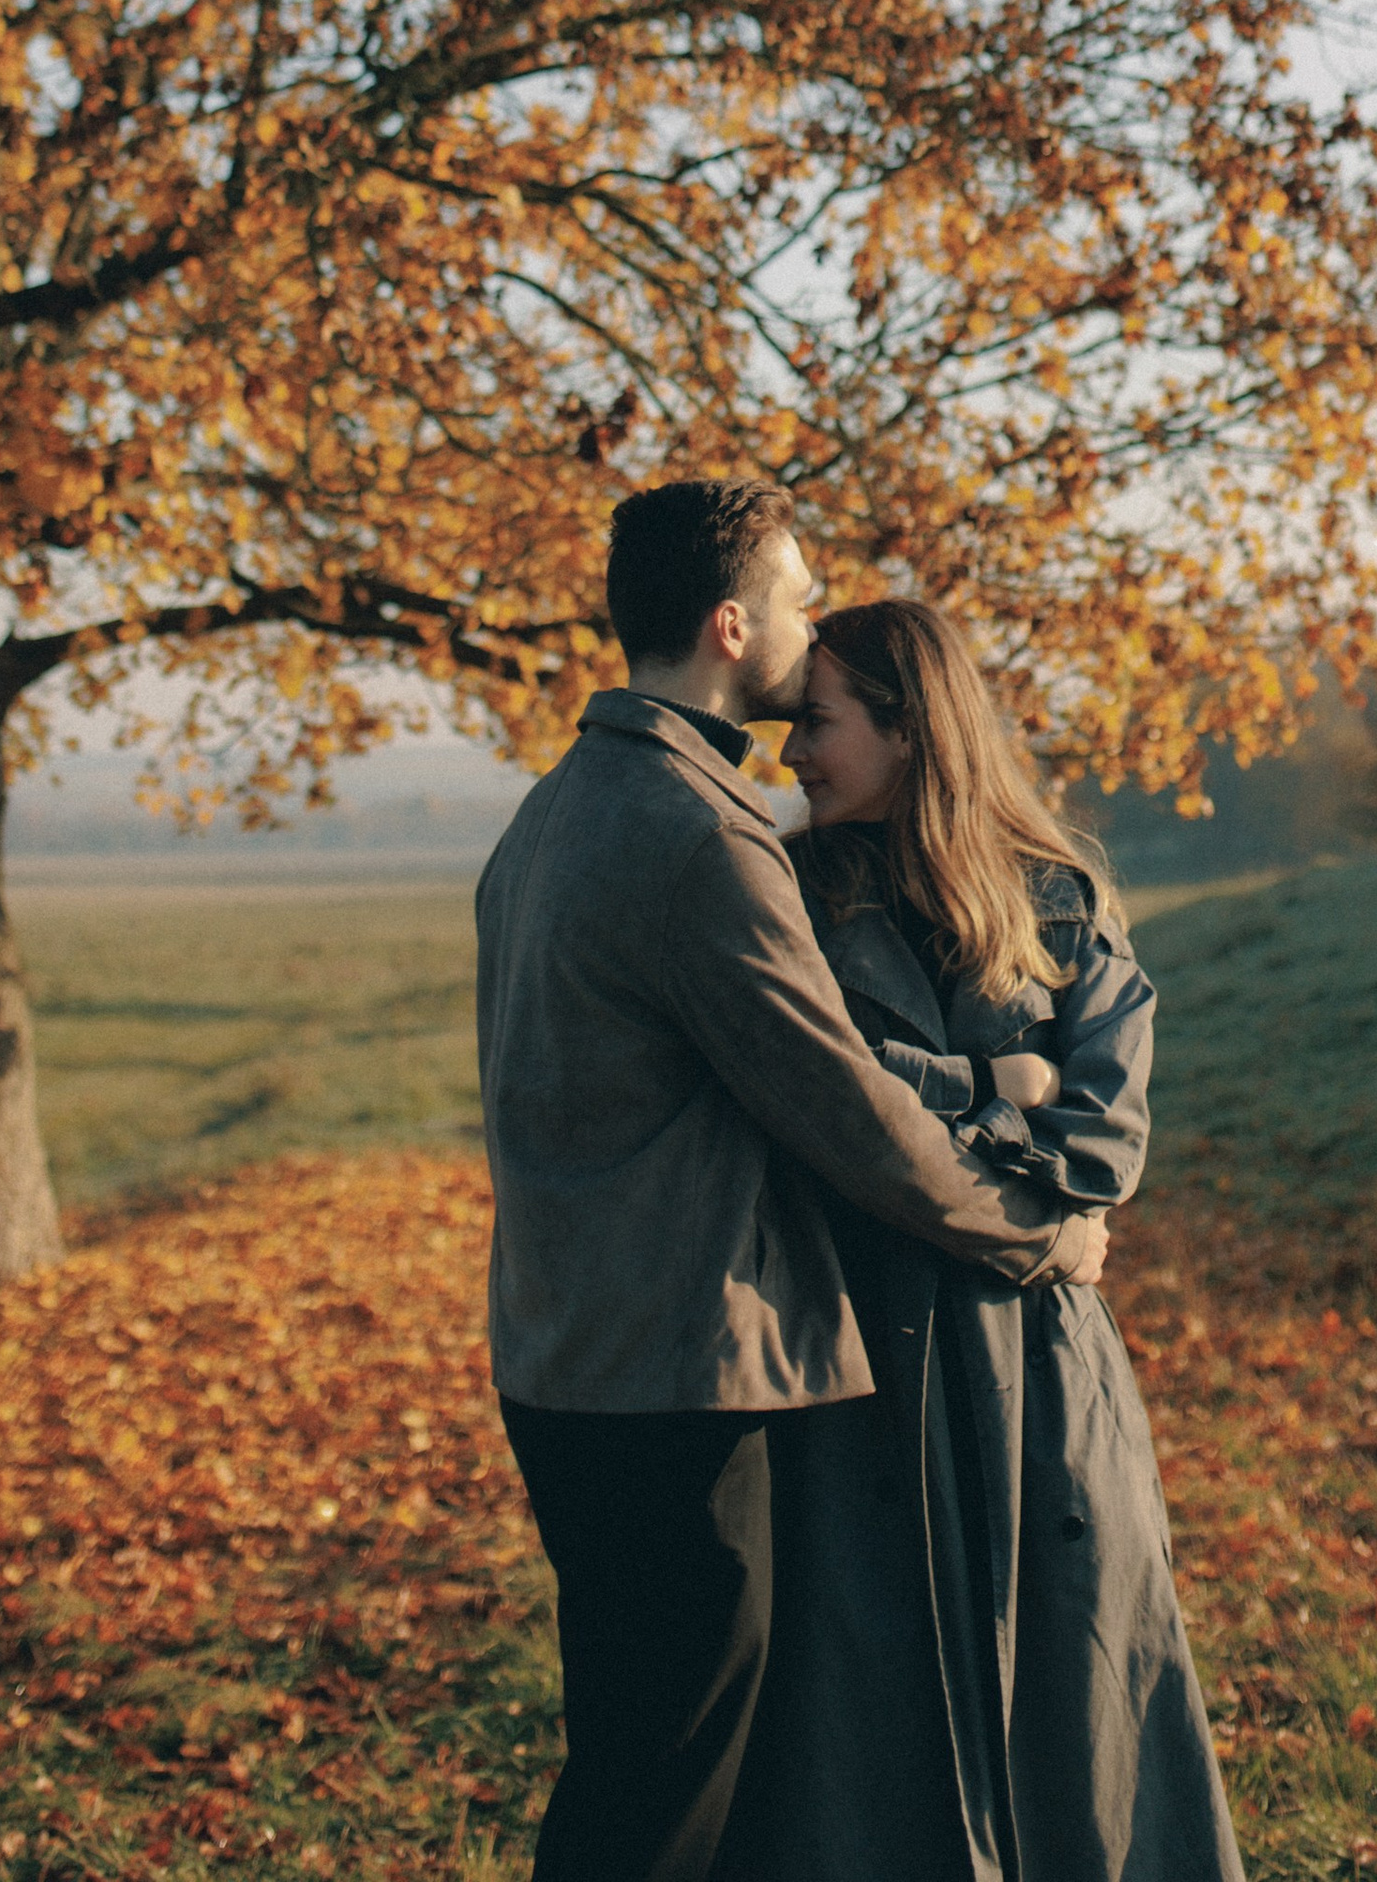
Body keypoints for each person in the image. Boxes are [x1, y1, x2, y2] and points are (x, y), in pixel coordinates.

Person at [474, 480, 1108, 1882]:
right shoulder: (699, 837)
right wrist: (1034, 1233)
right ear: (729, 624)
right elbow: (849, 1114)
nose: (813, 628)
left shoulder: (550, 813)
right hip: (674, 1376)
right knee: (666, 1794)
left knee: (634, 1750)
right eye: (799, 600)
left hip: (560, 1356)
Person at [719, 596, 1246, 1882]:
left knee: (1076, 1702)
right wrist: (997, 1086)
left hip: (1039, 1374)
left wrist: (931, 1104)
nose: (792, 753)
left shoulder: (1059, 898)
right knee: (873, 1731)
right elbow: (815, 1103)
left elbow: (1102, 1150)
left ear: (908, 727)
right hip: (860, 1368)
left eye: (818, 723)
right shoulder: (785, 896)